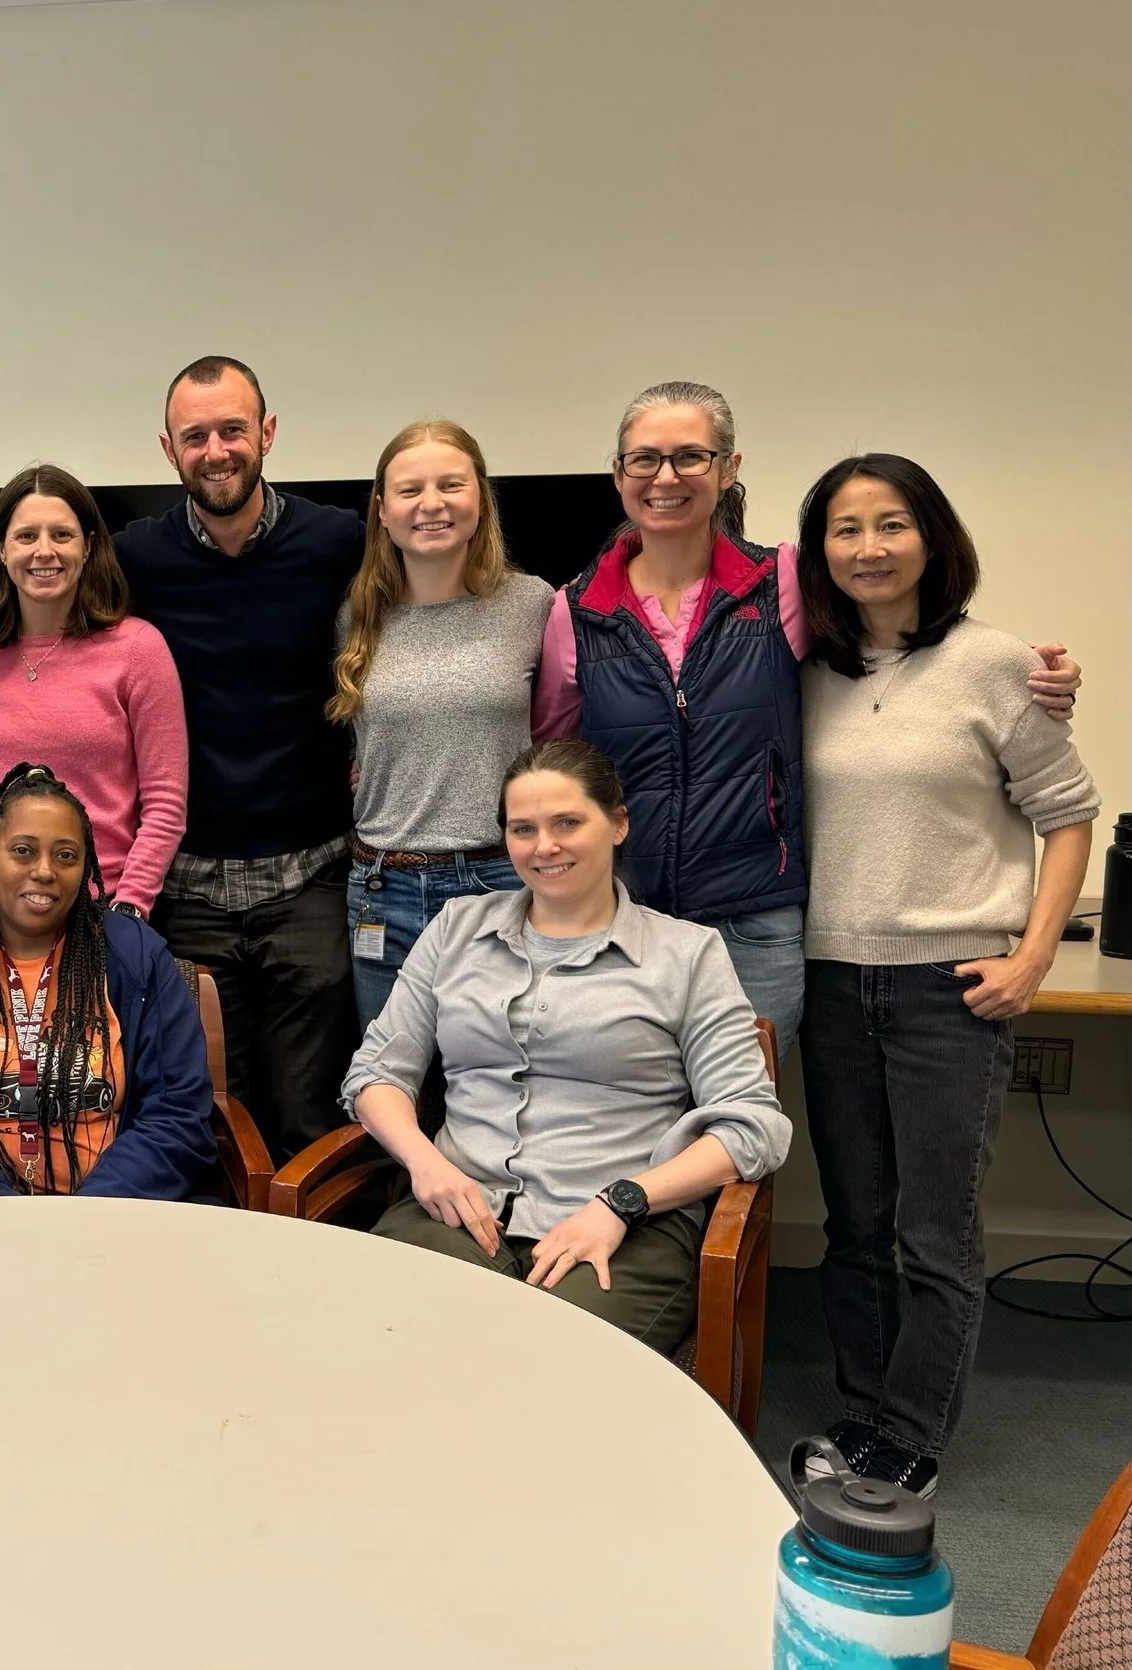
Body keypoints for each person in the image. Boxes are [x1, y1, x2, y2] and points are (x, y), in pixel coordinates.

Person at [530, 380, 1078, 1058]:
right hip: (621, 918)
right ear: (618, 475)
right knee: (615, 1121)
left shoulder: (784, 581)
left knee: (742, 1141)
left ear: (728, 470)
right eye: (644, 458)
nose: (665, 477)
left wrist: (1031, 671)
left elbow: (900, 635)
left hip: (756, 926)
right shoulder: (574, 611)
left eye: (691, 456)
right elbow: (553, 763)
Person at [789, 455, 1099, 1500]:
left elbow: (1067, 816)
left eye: (889, 525)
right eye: (843, 528)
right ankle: (863, 1411)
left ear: (930, 537)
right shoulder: (803, 667)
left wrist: (1033, 954)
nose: (867, 547)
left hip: (948, 989)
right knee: (855, 1222)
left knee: (934, 1227)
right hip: (830, 977)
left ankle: (911, 1433)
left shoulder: (999, 664)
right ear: (816, 550)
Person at [342, 740, 791, 1350]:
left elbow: (752, 1127)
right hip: (457, 1207)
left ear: (618, 824)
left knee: (548, 1368)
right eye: (522, 829)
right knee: (384, 1340)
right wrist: (427, 1164)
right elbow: (376, 1073)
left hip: (622, 1228)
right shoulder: (455, 929)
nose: (544, 846)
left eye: (567, 823)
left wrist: (624, 1202)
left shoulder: (687, 954)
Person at [112, 356, 363, 1164]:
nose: (215, 450)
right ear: (167, 448)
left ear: (268, 433)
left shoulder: (337, 542)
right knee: (204, 1116)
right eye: (195, 436)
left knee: (305, 1114)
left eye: (231, 430)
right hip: (186, 888)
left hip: (311, 881)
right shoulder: (133, 559)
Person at [0, 763, 217, 1201]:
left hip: (117, 1216)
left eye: (65, 855)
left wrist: (94, 1207)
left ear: (85, 867)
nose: (44, 870)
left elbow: (177, 1113)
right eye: (23, 850)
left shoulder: (135, 957)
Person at [329, 419, 551, 1023]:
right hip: (383, 888)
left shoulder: (534, 605)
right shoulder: (356, 617)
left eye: (451, 485)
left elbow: (561, 739)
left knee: (503, 1076)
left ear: (480, 496)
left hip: (501, 880)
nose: (431, 504)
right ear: (380, 510)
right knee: (389, 1081)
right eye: (409, 490)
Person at [0, 462, 187, 917]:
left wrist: (130, 910)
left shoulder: (138, 649)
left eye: (62, 535)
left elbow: (165, 805)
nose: (44, 551)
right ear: (0, 549)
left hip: (99, 906)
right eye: (26, 536)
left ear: (89, 545)